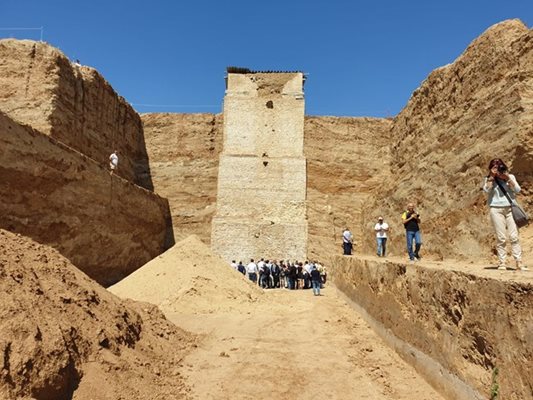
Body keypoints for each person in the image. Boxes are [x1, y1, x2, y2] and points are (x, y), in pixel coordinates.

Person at [483, 158, 527, 271]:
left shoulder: (510, 177)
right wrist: (491, 178)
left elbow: (517, 190)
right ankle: (502, 262)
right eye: (495, 168)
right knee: (501, 237)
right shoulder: (489, 179)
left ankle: (519, 262)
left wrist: (507, 178)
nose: (498, 170)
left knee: (514, 236)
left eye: (500, 167)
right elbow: (486, 191)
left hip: (510, 208)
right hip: (496, 209)